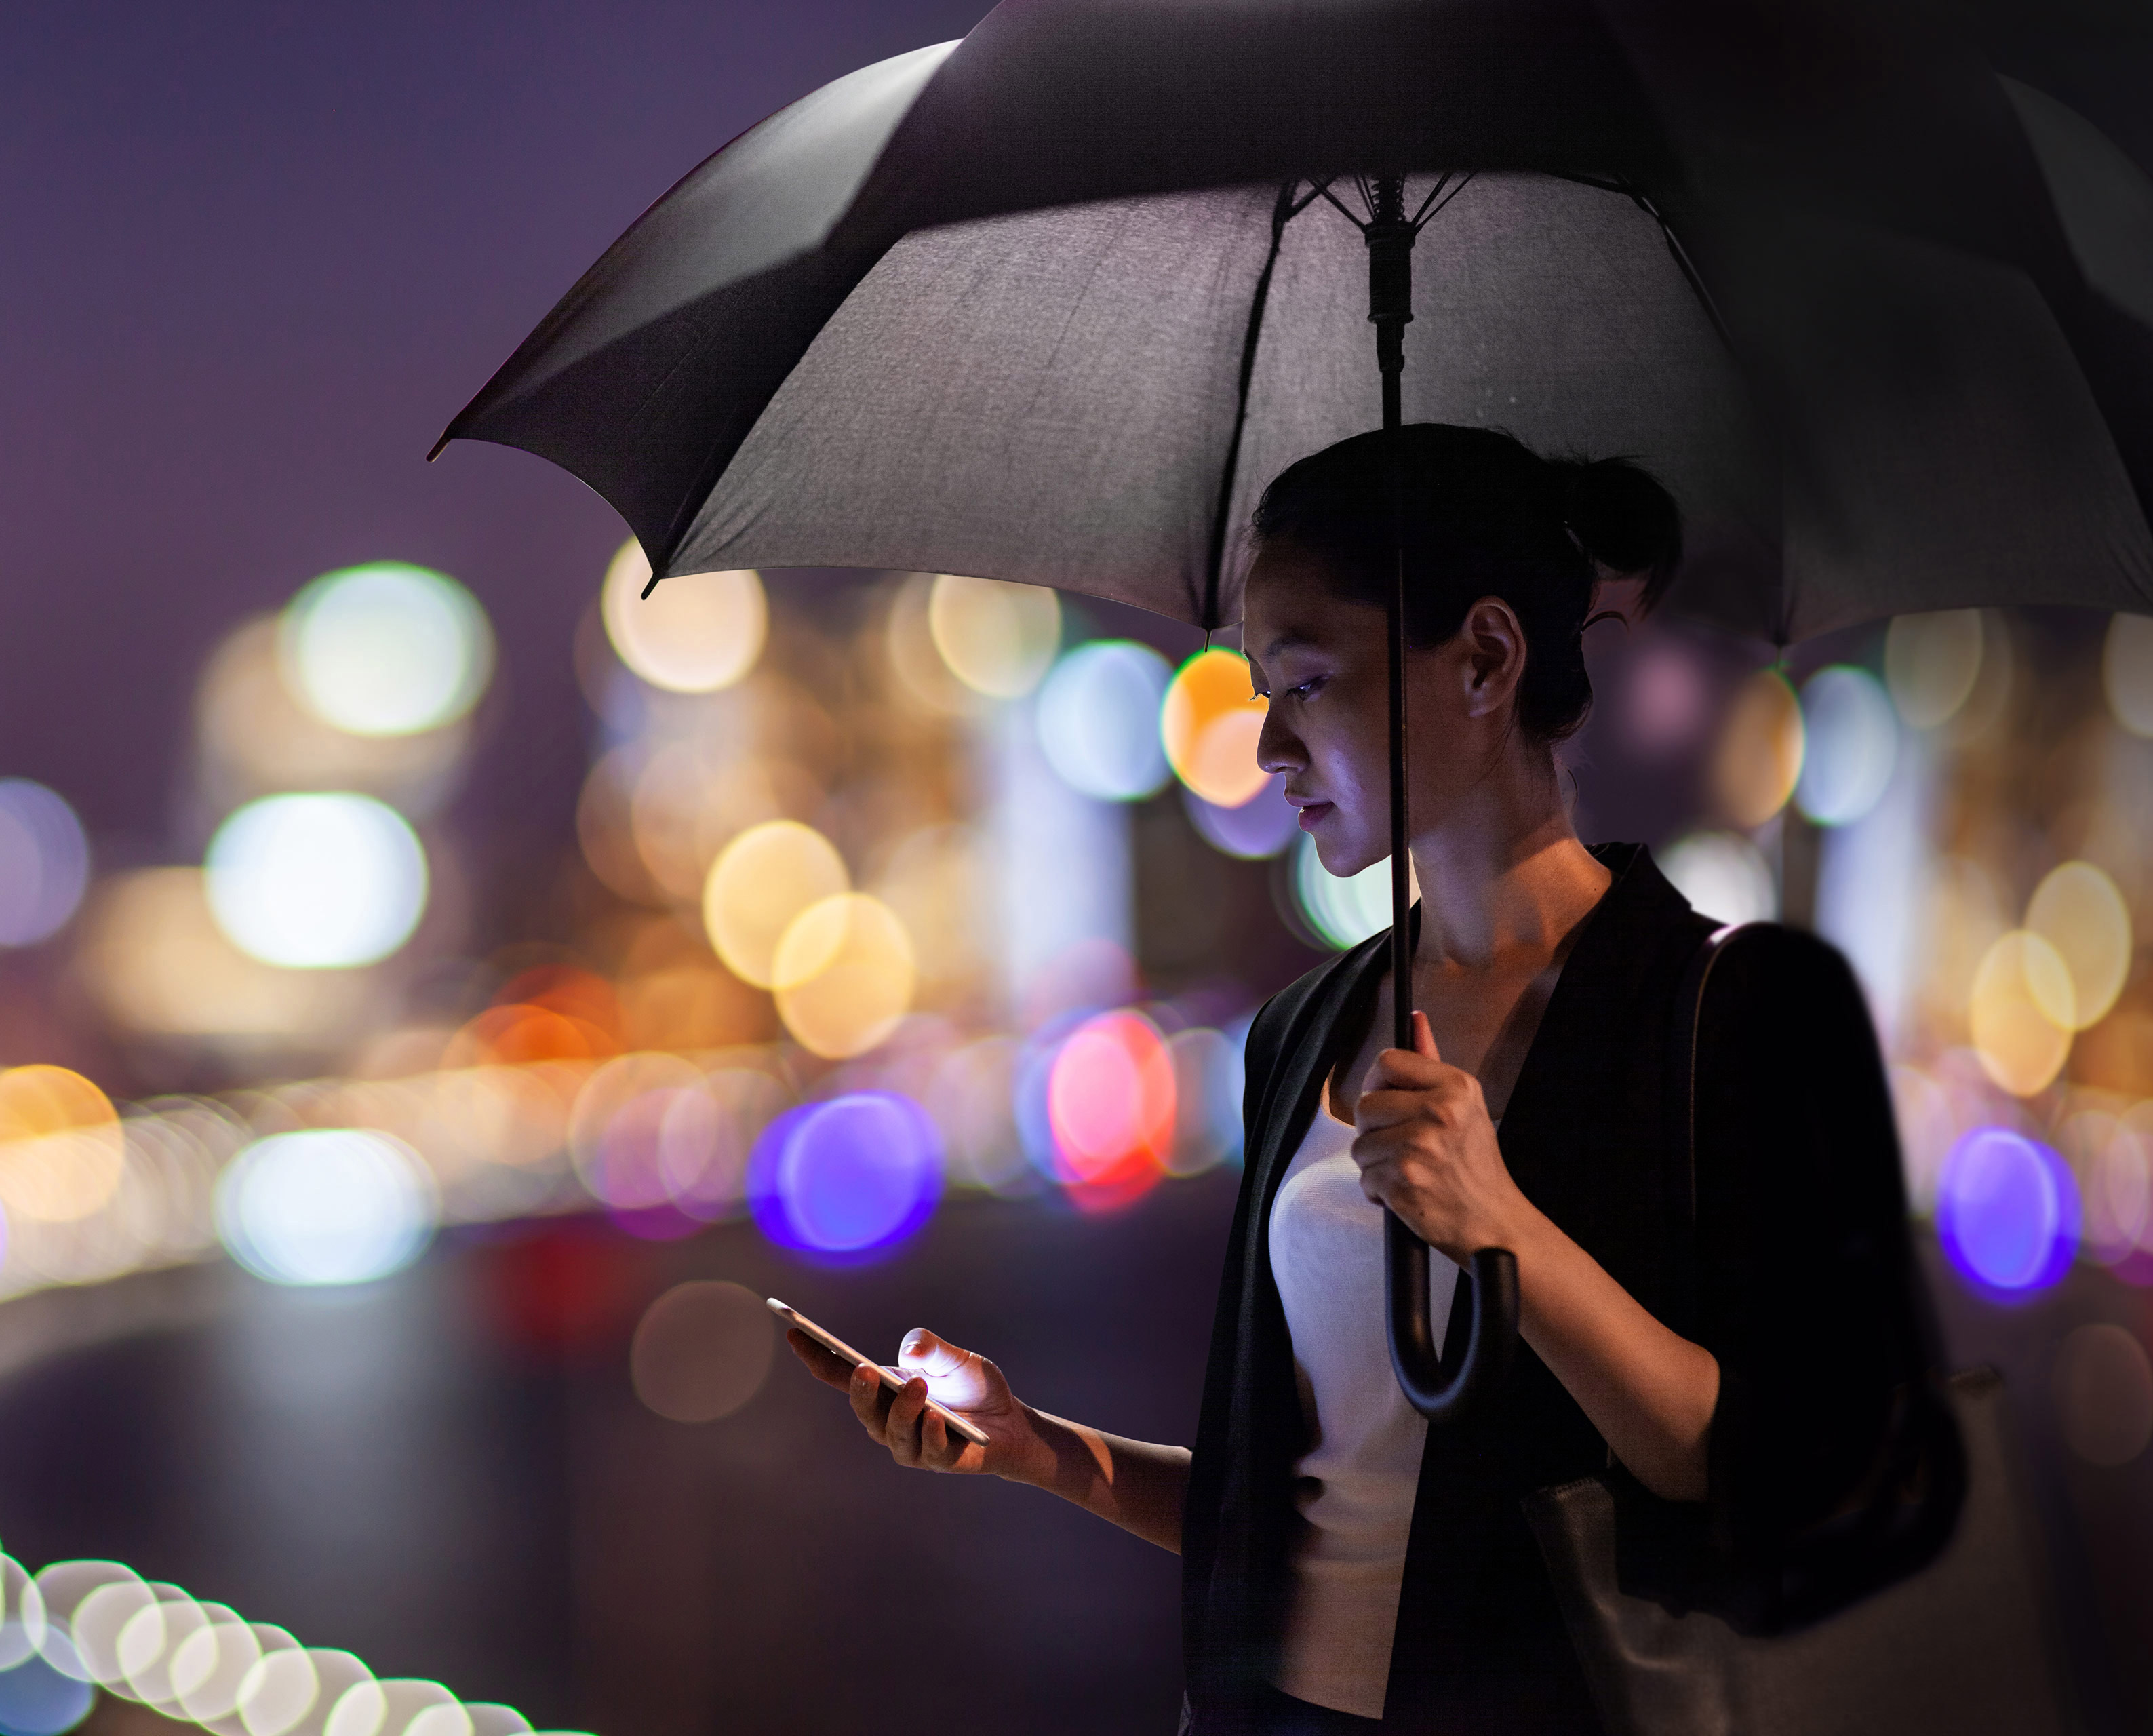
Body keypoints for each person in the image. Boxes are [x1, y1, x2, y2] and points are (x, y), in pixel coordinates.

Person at [787, 425, 1958, 1735]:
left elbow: (1765, 1472)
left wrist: (1503, 1226)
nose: (1268, 751)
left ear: (1486, 660)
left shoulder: (1725, 1012)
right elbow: (1308, 1509)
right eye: (1260, 696)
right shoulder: (1305, 1031)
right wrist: (1040, 1449)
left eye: (1306, 684)